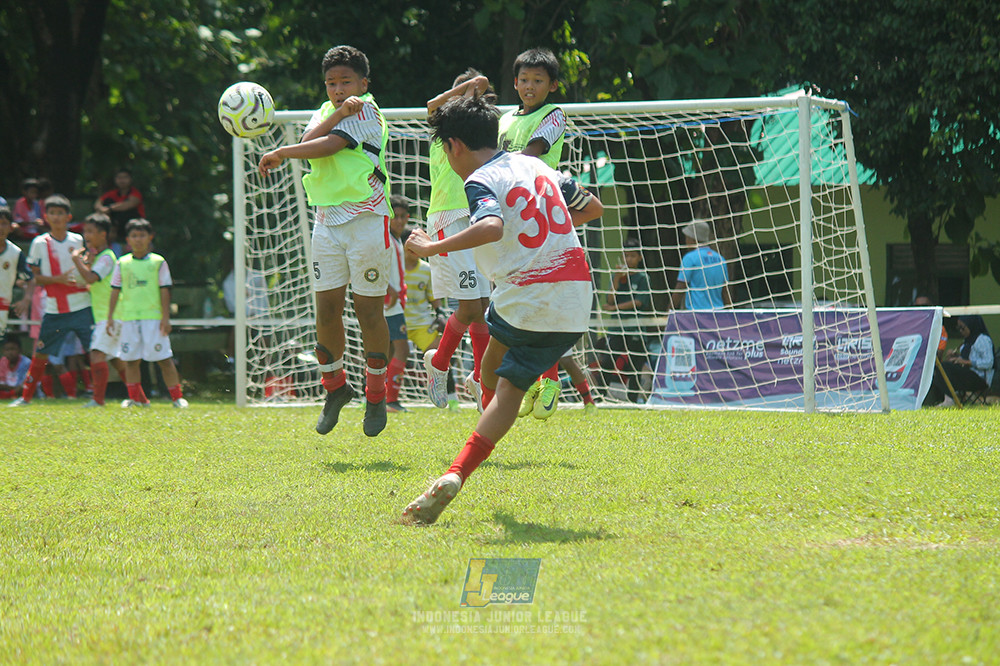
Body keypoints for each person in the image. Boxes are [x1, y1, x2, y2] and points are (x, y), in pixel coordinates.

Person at [401, 94, 602, 525]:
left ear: (454, 146)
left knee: (500, 384)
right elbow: (592, 208)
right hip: (577, 298)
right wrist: (552, 233)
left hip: (527, 297)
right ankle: (503, 397)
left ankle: (457, 471)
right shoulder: (539, 166)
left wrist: (431, 246)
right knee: (493, 372)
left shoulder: (479, 180)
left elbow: (491, 226)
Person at [257, 45, 392, 437]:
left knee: (368, 310)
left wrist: (282, 151)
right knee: (326, 309)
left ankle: (376, 393)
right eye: (331, 83)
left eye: (345, 81)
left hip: (367, 218)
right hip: (327, 221)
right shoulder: (329, 109)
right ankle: (335, 388)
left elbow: (330, 145)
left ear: (363, 83)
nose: (337, 88)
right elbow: (311, 137)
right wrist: (334, 112)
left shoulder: (367, 108)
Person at [421, 69, 495, 411]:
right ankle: (439, 362)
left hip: (475, 217)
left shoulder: (479, 135)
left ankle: (481, 381)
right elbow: (433, 104)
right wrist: (471, 85)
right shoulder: (444, 129)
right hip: (449, 218)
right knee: (468, 307)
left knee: (482, 309)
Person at [9, 195, 93, 407]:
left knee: (96, 350)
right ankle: (25, 397)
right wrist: (58, 279)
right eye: (52, 213)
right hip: (54, 307)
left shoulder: (77, 240)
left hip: (82, 304)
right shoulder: (39, 243)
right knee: (42, 353)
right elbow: (33, 277)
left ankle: (103, 396)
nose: (56, 217)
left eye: (60, 213)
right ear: (45, 216)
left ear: (68, 216)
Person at [105, 218, 188, 408]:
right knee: (131, 361)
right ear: (128, 239)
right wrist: (110, 317)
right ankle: (136, 399)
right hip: (129, 318)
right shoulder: (122, 263)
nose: (138, 239)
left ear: (150, 237)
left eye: (142, 235)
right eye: (134, 235)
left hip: (153, 318)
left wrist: (165, 318)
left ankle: (177, 398)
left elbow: (165, 290)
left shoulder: (158, 262)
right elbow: (115, 290)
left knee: (164, 359)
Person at [70, 213, 127, 407]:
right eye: (85, 231)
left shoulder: (107, 257)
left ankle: (98, 400)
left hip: (110, 315)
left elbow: (91, 279)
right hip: (106, 315)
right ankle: (139, 397)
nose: (87, 235)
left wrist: (76, 260)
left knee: (96, 354)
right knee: (116, 360)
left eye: (91, 231)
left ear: (104, 234)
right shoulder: (99, 257)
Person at [400, 226, 459, 410]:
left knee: (443, 356)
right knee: (377, 356)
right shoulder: (393, 267)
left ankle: (452, 399)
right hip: (396, 323)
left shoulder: (426, 269)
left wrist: (440, 313)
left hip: (420, 325)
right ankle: (368, 397)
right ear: (402, 246)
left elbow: (433, 297)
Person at [599, 238, 654, 403]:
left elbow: (639, 302)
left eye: (632, 256)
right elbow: (609, 300)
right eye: (626, 255)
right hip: (617, 328)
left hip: (635, 329)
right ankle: (599, 396)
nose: (628, 259)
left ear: (639, 258)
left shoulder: (643, 278)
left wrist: (615, 308)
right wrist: (616, 279)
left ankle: (632, 400)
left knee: (635, 366)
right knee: (608, 361)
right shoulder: (617, 277)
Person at [497, 48, 566, 169]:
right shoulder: (505, 119)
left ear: (553, 85)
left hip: (535, 187)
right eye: (524, 80)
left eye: (538, 81)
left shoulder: (554, 115)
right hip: (505, 186)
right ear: (516, 83)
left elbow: (530, 154)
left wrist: (494, 165)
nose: (529, 86)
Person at [384, 195, 411, 413]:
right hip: (388, 303)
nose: (400, 221)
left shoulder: (397, 239)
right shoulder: (384, 238)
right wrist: (388, 289)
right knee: (402, 349)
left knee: (390, 350)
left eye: (403, 217)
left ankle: (381, 398)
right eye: (395, 216)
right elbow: (373, 264)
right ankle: (390, 400)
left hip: (396, 302)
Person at [672, 220, 731, 310]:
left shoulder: (690, 258)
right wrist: (730, 314)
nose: (686, 241)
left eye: (687, 237)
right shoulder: (720, 259)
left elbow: (681, 288)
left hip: (697, 315)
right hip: (718, 315)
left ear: (693, 238)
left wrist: (669, 311)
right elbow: (725, 292)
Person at [94, 168, 145, 252]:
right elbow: (98, 203)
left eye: (125, 177)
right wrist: (102, 209)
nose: (122, 180)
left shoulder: (135, 193)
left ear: (130, 179)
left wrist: (110, 208)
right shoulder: (112, 193)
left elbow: (130, 204)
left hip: (132, 226)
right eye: (119, 178)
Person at [0, 207, 33, 336]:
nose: (0, 227)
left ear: (11, 227)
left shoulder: (15, 253)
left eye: (4, 223)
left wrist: (26, 299)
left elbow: (30, 279)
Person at [0, 334, 32, 399]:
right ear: (3, 351)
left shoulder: (26, 362)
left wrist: (14, 390)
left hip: (21, 391)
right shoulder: (3, 361)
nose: (10, 352)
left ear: (20, 350)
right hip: (9, 391)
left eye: (13, 349)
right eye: (7, 350)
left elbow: (25, 383)